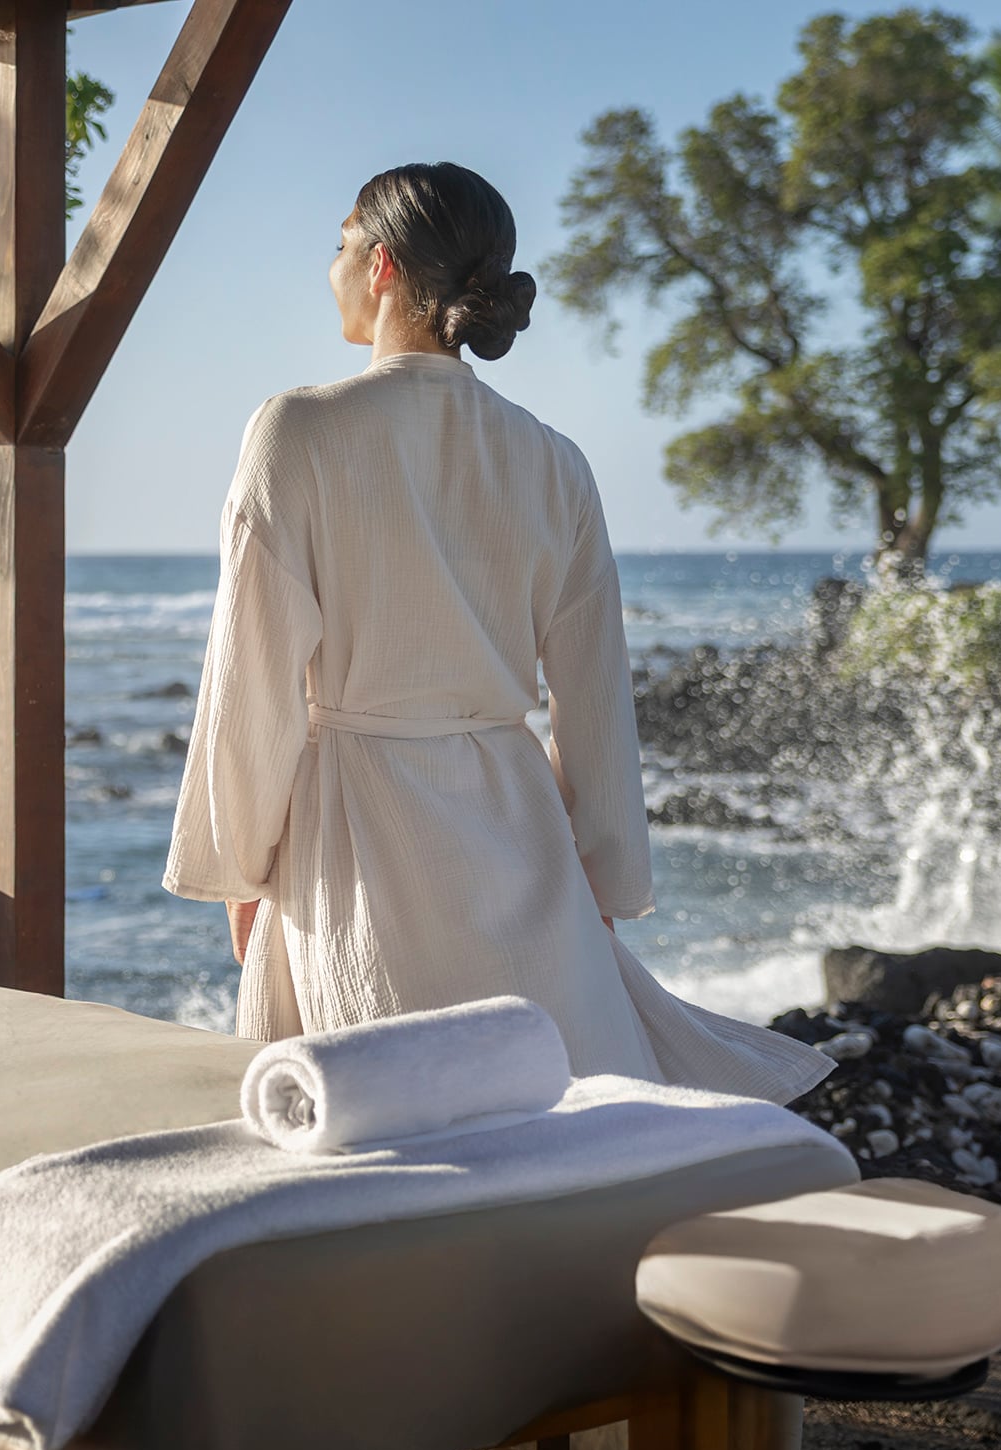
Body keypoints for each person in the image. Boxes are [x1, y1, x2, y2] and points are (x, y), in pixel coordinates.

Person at [162, 161, 829, 1103]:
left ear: (382, 264)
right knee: (566, 1117)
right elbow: (595, 697)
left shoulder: (297, 431)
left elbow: (253, 675)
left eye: (341, 245)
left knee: (382, 1117)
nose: (331, 268)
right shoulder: (555, 459)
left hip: (358, 833)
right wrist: (601, 880)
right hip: (523, 839)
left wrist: (239, 867)